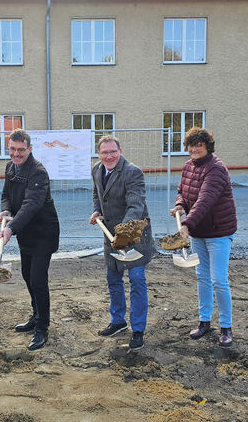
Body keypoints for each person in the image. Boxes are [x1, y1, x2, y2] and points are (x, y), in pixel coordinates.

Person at [170, 127, 237, 347]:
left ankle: (226, 328)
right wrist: (180, 205)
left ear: (208, 146)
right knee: (202, 278)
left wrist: (187, 224)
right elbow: (182, 191)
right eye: (191, 145)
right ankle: (204, 322)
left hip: (219, 233)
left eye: (199, 145)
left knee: (219, 279)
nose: (194, 149)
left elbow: (205, 200)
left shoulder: (216, 169)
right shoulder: (188, 166)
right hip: (199, 233)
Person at [0, 129, 60, 351]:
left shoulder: (38, 172)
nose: (16, 154)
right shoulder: (10, 167)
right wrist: (5, 212)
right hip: (26, 232)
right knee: (26, 275)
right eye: (12, 149)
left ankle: (42, 328)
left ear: (29, 149)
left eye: (21, 150)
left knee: (38, 280)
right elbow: (6, 195)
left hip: (43, 233)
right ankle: (36, 316)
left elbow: (31, 204)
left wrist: (11, 228)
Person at [89, 135, 154, 351]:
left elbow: (136, 205)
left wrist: (123, 232)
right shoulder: (97, 170)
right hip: (110, 236)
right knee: (113, 278)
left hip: (134, 234)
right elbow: (97, 194)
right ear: (99, 153)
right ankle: (118, 321)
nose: (109, 156)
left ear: (120, 150)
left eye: (113, 151)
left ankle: (138, 329)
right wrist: (97, 210)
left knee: (136, 279)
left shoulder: (133, 172)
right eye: (104, 152)